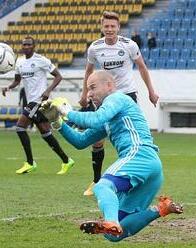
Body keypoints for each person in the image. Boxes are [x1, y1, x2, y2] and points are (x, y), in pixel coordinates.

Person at [43, 71, 183, 241]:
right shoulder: (107, 118)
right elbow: (80, 141)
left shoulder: (117, 98)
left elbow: (95, 119)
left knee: (102, 187)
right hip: (151, 167)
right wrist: (57, 122)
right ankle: (161, 209)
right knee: (113, 236)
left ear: (109, 85)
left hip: (139, 154)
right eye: (87, 90)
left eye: (92, 87)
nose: (89, 94)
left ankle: (110, 221)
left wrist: (68, 112)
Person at [79, 11, 159, 196]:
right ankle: (97, 180)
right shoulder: (95, 48)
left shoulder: (129, 45)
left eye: (112, 26)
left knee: (132, 137)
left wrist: (151, 92)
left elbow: (142, 67)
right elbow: (88, 71)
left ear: (118, 28)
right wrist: (85, 94)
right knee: (98, 140)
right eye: (106, 26)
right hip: (105, 97)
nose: (109, 29)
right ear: (102, 28)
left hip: (126, 95)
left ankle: (136, 176)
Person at [1, 36, 74, 174]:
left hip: (40, 101)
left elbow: (58, 76)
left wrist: (48, 90)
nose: (26, 46)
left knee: (20, 126)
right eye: (24, 44)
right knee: (46, 134)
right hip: (31, 101)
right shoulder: (20, 62)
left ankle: (30, 162)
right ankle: (66, 160)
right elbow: (17, 80)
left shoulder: (41, 60)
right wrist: (8, 87)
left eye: (29, 44)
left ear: (34, 46)